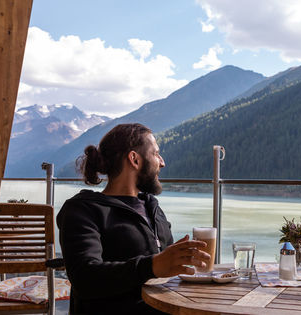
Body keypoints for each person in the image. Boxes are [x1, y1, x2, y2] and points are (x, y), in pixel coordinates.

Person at [57, 123, 211, 314]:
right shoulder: (83, 210)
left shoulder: (152, 207)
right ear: (134, 159)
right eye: (156, 154)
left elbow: (165, 272)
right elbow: (85, 278)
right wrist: (153, 265)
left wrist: (175, 260)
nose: (162, 162)